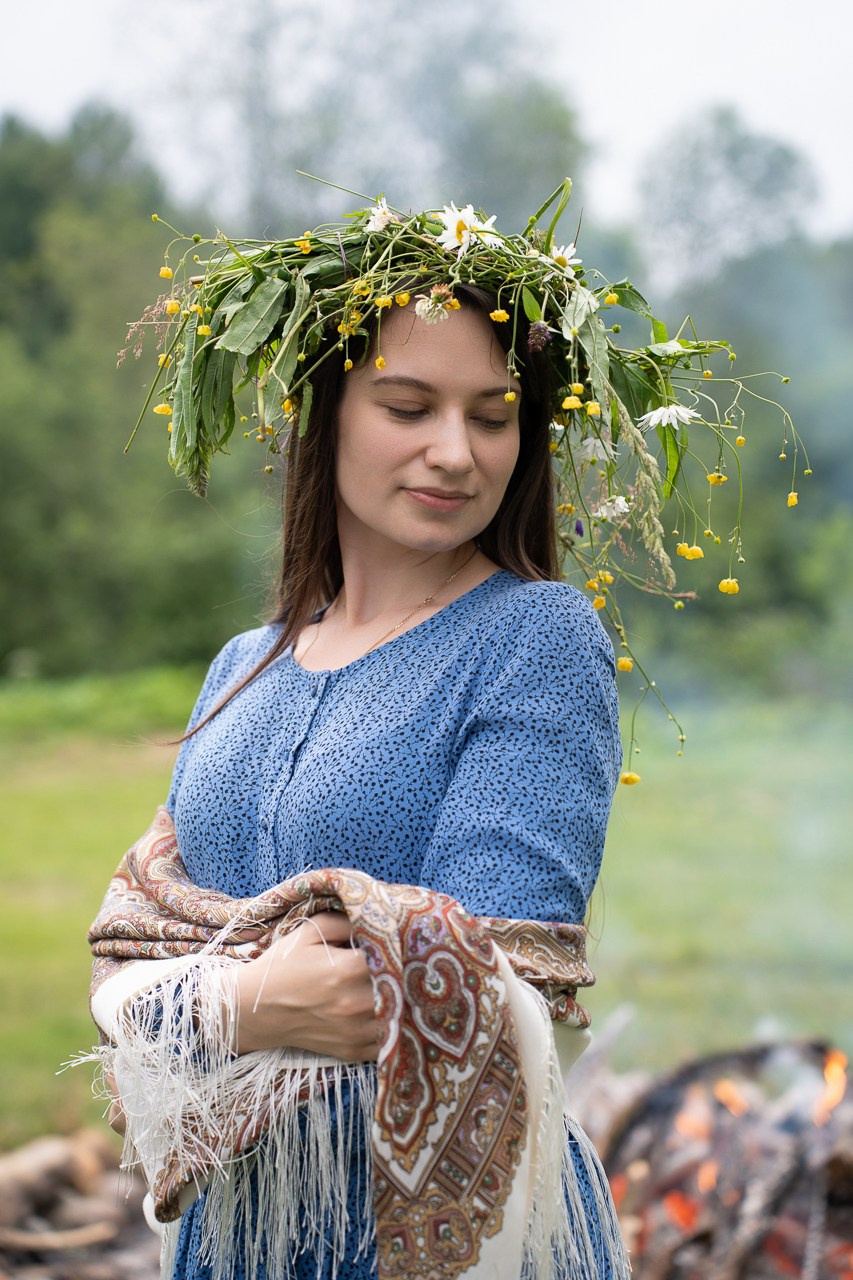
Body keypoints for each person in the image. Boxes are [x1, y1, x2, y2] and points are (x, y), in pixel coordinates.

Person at [87, 190, 686, 1280]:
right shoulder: (244, 662)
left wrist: (188, 1005)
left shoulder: (534, 637)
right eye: (408, 406)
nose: (455, 452)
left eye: (492, 416)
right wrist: (245, 999)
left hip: (442, 1233)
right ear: (326, 412)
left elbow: (480, 979)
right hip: (238, 1230)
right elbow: (134, 938)